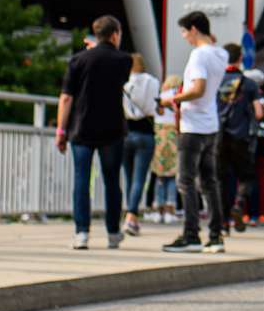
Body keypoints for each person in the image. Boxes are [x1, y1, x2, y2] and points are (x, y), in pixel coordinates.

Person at [59, 16, 132, 249]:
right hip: (112, 129)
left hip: (81, 127)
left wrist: (61, 129)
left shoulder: (77, 60)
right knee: (112, 181)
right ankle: (112, 232)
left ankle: (82, 232)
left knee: (82, 180)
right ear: (115, 34)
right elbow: (119, 76)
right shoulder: (124, 60)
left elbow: (66, 97)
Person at [162, 11, 227, 253]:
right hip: (211, 124)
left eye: (184, 32)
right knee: (210, 182)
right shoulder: (220, 53)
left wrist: (173, 98)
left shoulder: (198, 55)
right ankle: (216, 235)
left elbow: (197, 89)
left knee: (186, 180)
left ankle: (191, 234)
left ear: (193, 29)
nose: (184, 37)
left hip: (193, 125)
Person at [215, 56, 264, 233]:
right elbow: (259, 113)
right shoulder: (249, 83)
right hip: (241, 137)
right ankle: (239, 204)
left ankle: (223, 223)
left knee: (221, 179)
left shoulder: (216, 80)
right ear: (239, 59)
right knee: (246, 177)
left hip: (219, 136)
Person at [120, 53, 160, 237]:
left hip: (127, 131)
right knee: (139, 178)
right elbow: (155, 105)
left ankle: (130, 212)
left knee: (129, 178)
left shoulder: (124, 82)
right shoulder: (152, 81)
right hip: (146, 131)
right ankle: (132, 215)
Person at [150, 76, 182, 224]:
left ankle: (158, 207)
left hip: (159, 135)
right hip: (174, 135)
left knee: (159, 175)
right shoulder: (178, 96)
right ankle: (170, 207)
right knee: (172, 175)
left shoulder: (160, 97)